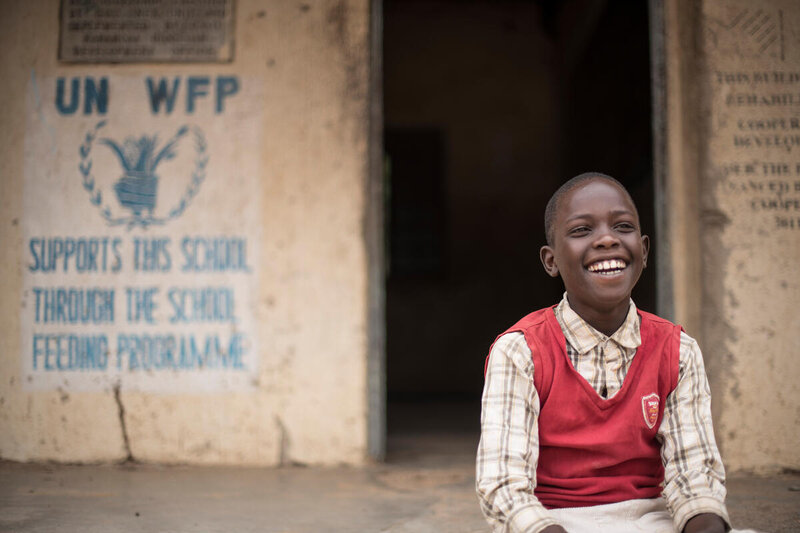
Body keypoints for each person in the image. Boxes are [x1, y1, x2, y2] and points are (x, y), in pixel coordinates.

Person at [476, 173, 753, 533]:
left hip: (652, 519)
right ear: (551, 260)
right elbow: (504, 486)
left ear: (645, 250)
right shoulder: (520, 352)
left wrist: (706, 524)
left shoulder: (677, 351)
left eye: (622, 226)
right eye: (581, 231)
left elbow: (694, 477)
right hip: (551, 522)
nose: (607, 239)